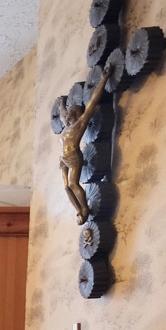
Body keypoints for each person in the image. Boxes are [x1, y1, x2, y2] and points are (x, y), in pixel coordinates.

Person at [58, 62, 113, 222]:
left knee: (73, 184)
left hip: (74, 156)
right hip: (63, 159)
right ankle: (79, 211)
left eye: (69, 111)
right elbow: (62, 115)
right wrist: (61, 104)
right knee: (66, 187)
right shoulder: (66, 127)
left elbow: (92, 103)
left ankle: (84, 209)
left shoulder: (79, 124)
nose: (66, 114)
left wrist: (103, 79)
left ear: (75, 114)